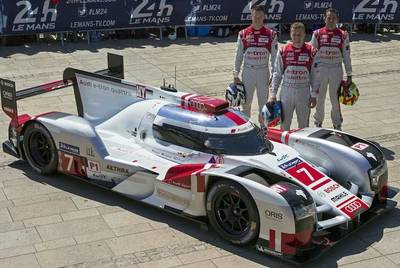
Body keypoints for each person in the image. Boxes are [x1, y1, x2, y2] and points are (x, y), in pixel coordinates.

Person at [269, 22, 320, 131]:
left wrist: (314, 95)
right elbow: (277, 74)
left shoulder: (312, 51)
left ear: (304, 34)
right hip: (287, 92)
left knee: (304, 127)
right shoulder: (283, 51)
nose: (297, 37)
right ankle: (284, 147)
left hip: (304, 92)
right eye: (294, 34)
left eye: (299, 34)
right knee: (284, 125)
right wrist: (273, 94)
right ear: (290, 34)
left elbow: (315, 76)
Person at [233, 5, 277, 125]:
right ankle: (245, 126)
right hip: (248, 71)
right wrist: (235, 73)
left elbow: (274, 58)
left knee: (263, 102)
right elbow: (238, 55)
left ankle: (263, 128)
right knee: (245, 103)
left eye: (260, 17)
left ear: (264, 17)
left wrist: (274, 74)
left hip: (263, 71)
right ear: (251, 16)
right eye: (255, 16)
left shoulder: (271, 34)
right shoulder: (243, 33)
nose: (257, 19)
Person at [311, 8, 352, 130]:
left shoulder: (343, 35)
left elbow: (346, 56)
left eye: (333, 18)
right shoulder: (317, 34)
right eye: (329, 17)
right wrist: (310, 73)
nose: (331, 20)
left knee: (335, 99)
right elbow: (311, 55)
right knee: (320, 98)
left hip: (336, 70)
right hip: (321, 70)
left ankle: (337, 124)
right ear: (324, 18)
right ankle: (318, 123)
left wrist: (349, 74)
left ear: (337, 19)